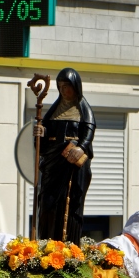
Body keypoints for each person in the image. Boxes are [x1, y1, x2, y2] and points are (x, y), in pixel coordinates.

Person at [34, 68, 96, 243]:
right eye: (60, 86)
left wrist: (81, 148)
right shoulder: (54, 110)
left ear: (76, 87)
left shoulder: (83, 110)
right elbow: (43, 142)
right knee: (47, 202)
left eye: (67, 86)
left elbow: (88, 133)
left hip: (71, 164)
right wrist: (41, 132)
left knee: (69, 205)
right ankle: (46, 243)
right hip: (53, 164)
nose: (63, 90)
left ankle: (68, 246)